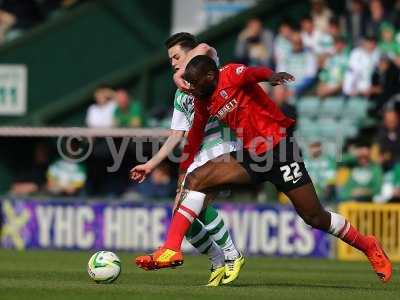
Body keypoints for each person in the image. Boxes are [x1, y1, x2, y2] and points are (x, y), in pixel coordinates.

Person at [135, 55, 392, 284]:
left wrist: (270, 77)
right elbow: (193, 138)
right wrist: (182, 170)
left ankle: (368, 245)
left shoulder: (229, 74)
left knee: (314, 217)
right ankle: (171, 248)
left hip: (280, 151)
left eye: (195, 83)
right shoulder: (203, 100)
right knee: (196, 178)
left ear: (210, 76)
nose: (191, 88)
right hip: (251, 156)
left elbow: (252, 73)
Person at [130, 33, 243, 286]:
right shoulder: (181, 96)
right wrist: (151, 164)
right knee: (181, 215)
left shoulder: (208, 73)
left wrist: (180, 72)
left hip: (223, 148)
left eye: (176, 56)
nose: (172, 63)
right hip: (198, 156)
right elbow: (175, 136)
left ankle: (231, 255)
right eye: (170, 59)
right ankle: (217, 260)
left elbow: (206, 47)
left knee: (193, 206)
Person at [278, 30, 317, 96]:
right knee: (278, 91)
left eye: (299, 42)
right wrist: (286, 88)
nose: (297, 44)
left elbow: (310, 77)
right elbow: (280, 74)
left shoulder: (309, 55)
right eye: (295, 42)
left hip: (303, 89)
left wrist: (296, 90)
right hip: (286, 88)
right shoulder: (285, 56)